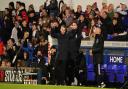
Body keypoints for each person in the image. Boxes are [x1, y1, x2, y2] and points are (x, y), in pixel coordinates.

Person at [92, 24, 106, 88]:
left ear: (99, 30)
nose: (95, 30)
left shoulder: (101, 37)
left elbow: (100, 48)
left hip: (98, 58)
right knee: (96, 71)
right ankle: (101, 83)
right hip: (95, 57)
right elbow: (95, 46)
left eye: (96, 29)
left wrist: (92, 50)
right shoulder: (96, 37)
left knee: (98, 71)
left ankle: (100, 84)